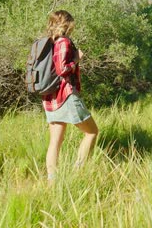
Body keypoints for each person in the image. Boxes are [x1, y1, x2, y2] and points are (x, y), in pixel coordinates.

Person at [42, 10, 98, 182]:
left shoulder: (50, 43)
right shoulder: (63, 42)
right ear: (66, 23)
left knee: (55, 142)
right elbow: (62, 69)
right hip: (65, 95)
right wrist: (77, 59)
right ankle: (78, 172)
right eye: (71, 23)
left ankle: (53, 182)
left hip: (50, 98)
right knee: (92, 132)